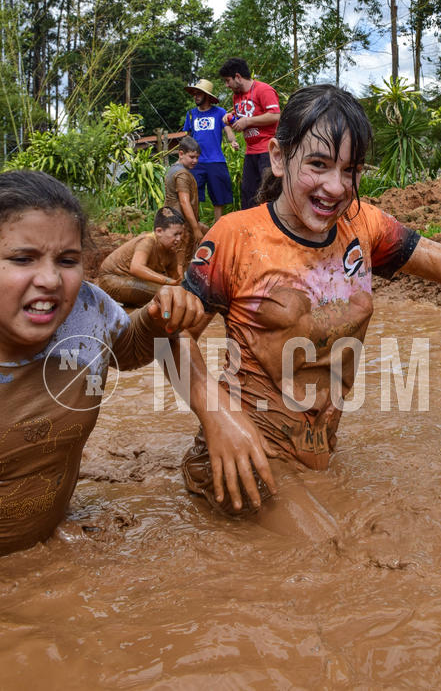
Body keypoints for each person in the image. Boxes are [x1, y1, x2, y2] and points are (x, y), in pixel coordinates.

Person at [180, 84, 441, 518]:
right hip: (245, 457)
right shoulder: (236, 236)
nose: (336, 186)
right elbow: (170, 337)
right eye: (318, 164)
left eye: (350, 170)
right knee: (331, 558)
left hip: (317, 457)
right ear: (277, 158)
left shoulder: (363, 225)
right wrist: (216, 417)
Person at [0, 170, 275, 556]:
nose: (49, 279)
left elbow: (127, 348)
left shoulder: (85, 308)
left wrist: (156, 317)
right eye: (22, 258)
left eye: (67, 260)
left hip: (44, 550)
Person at [218, 57, 280, 209]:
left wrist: (248, 121)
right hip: (250, 151)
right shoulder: (236, 96)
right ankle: (250, 228)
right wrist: (230, 118)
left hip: (267, 150)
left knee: (269, 192)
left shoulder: (263, 90)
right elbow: (242, 115)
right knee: (248, 193)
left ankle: (272, 227)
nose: (227, 85)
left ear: (238, 77)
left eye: (228, 80)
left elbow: (275, 115)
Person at [97, 206, 185, 307]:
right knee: (166, 294)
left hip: (133, 281)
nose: (179, 239)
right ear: (159, 231)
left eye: (181, 234)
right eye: (175, 234)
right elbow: (136, 268)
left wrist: (184, 288)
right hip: (111, 279)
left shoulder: (171, 250)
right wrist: (168, 281)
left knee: (173, 293)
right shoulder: (147, 241)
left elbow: (176, 279)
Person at [182, 78, 239, 221]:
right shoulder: (191, 114)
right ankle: (194, 228)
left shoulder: (219, 112)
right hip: (195, 162)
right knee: (193, 197)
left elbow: (228, 130)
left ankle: (217, 230)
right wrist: (182, 157)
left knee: (219, 199)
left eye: (199, 94)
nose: (196, 96)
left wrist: (233, 141)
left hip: (216, 160)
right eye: (194, 94)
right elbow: (187, 138)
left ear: (207, 96)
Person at [164, 137, 208, 270]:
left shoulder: (173, 169)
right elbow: (184, 202)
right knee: (181, 264)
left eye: (197, 157)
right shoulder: (182, 174)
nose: (195, 161)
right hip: (181, 225)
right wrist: (195, 229)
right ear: (181, 154)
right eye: (192, 157)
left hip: (173, 222)